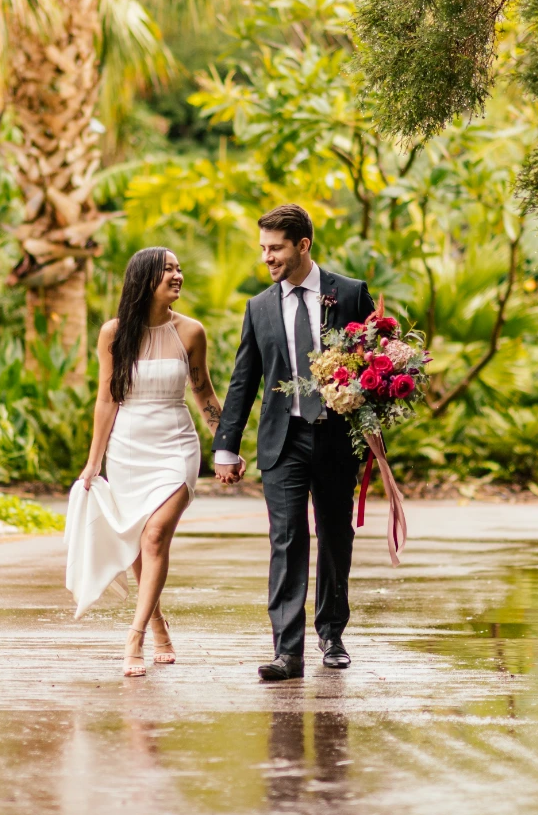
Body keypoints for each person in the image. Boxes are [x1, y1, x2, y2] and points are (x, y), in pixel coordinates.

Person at [212, 204, 375, 681]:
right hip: (282, 440)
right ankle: (287, 652)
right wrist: (226, 445)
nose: (267, 257)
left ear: (303, 245)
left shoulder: (349, 294)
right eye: (263, 248)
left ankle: (332, 635)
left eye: (276, 248)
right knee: (286, 540)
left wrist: (373, 416)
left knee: (335, 536)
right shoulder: (259, 306)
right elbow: (244, 379)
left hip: (336, 437)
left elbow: (375, 360)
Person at [65, 247, 229, 677]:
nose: (178, 275)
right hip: (127, 449)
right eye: (168, 269)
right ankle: (156, 622)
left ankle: (134, 636)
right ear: (144, 279)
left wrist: (225, 445)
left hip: (176, 446)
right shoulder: (114, 333)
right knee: (137, 541)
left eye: (179, 268)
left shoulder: (190, 331)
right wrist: (93, 462)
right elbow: (107, 399)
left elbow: (204, 393)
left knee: (155, 536)